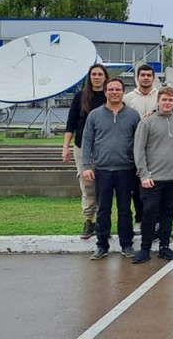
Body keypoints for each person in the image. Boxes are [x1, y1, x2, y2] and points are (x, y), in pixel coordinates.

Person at [82, 78, 140, 260]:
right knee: (103, 210)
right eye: (111, 89)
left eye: (118, 89)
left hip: (126, 169)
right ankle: (101, 245)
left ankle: (127, 244)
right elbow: (87, 141)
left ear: (123, 92)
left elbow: (139, 143)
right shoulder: (94, 115)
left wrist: (139, 166)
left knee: (125, 209)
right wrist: (86, 166)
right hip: (103, 170)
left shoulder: (133, 115)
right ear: (105, 92)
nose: (114, 92)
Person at [132, 87, 173, 263]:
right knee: (149, 213)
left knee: (168, 213)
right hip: (152, 178)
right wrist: (143, 174)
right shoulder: (147, 122)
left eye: (170, 100)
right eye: (164, 99)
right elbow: (138, 149)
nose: (167, 103)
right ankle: (145, 248)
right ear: (158, 101)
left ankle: (164, 246)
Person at [63, 64, 107, 239]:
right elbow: (71, 122)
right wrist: (65, 146)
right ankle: (89, 220)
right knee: (87, 185)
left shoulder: (110, 96)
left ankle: (104, 222)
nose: (97, 77)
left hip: (105, 147)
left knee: (105, 186)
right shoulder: (80, 97)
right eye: (93, 74)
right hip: (83, 147)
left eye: (100, 74)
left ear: (105, 77)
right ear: (89, 77)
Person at [123, 63, 158, 235]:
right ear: (137, 77)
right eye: (142, 75)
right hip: (134, 147)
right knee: (137, 187)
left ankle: (156, 220)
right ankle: (140, 219)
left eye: (148, 75)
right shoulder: (128, 98)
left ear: (153, 77)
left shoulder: (160, 95)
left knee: (156, 186)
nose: (145, 78)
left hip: (156, 148)